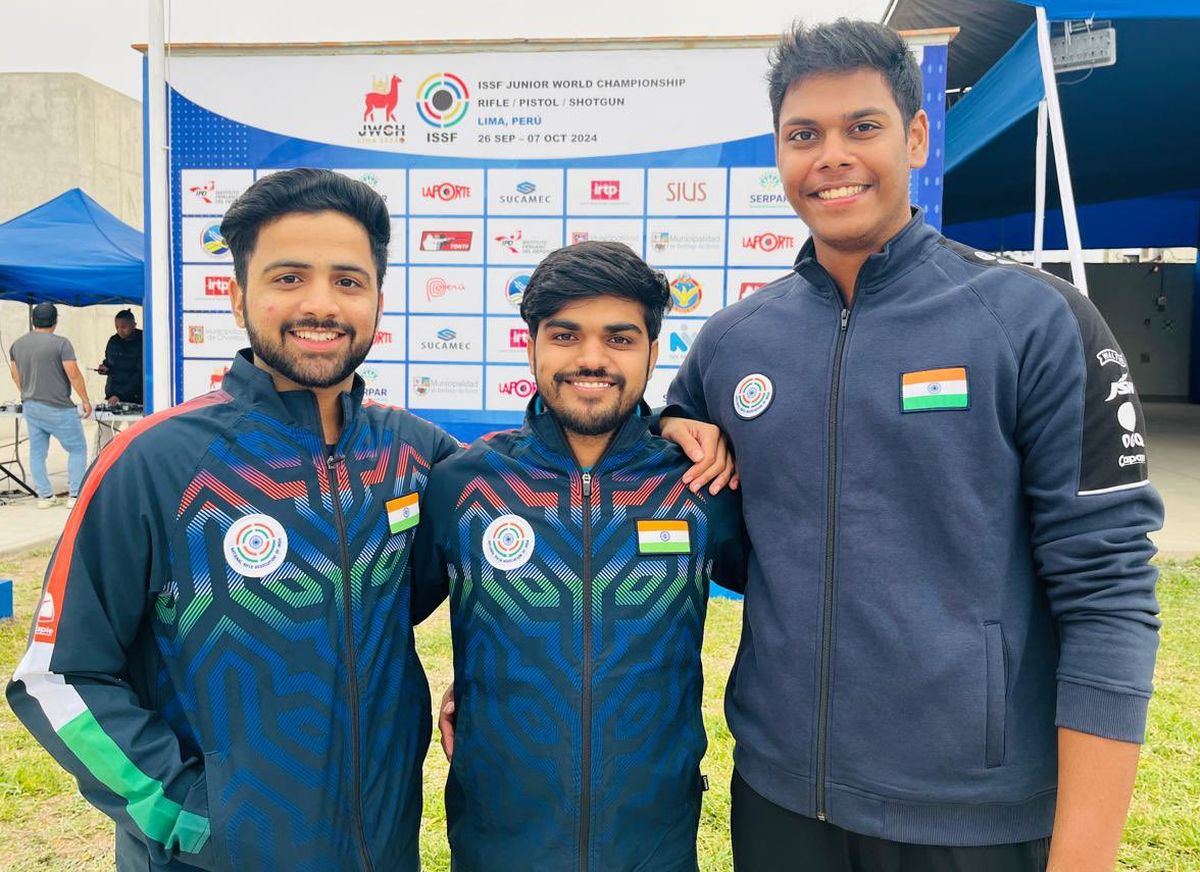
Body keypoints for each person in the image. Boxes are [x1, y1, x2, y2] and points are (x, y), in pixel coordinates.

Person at [659, 19, 1163, 872]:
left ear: (917, 136)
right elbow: (678, 438)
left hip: (975, 819)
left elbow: (1109, 591)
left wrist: (1084, 858)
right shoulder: (734, 342)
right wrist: (673, 420)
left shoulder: (1033, 321)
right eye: (803, 134)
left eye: (863, 127)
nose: (832, 156)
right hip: (780, 799)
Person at [7, 169, 459, 871]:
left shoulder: (416, 453)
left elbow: (535, 506)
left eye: (348, 280)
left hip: (381, 849)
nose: (320, 304)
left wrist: (672, 435)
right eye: (288, 278)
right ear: (235, 293)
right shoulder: (155, 462)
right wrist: (189, 813)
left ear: (376, 298)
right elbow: (57, 677)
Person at [414, 240, 747, 871]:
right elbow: (374, 630)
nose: (591, 359)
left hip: (654, 845)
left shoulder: (702, 486)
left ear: (654, 351)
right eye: (565, 335)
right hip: (500, 844)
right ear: (531, 344)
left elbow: (796, 604)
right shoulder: (464, 486)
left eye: (619, 338)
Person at [7, 301, 92, 509]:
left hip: (31, 406)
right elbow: (73, 373)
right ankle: (74, 496)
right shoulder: (61, 343)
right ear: (55, 321)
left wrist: (26, 392)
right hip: (59, 406)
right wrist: (85, 400)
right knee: (77, 449)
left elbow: (15, 375)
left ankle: (44, 496)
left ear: (33, 320)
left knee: (37, 452)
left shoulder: (17, 345)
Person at [97, 309, 144, 405]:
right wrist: (105, 368)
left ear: (134, 325)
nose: (119, 330)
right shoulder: (113, 341)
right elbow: (109, 362)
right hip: (112, 395)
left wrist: (120, 395)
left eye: (123, 327)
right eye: (117, 327)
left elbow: (139, 375)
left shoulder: (143, 341)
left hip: (135, 398)